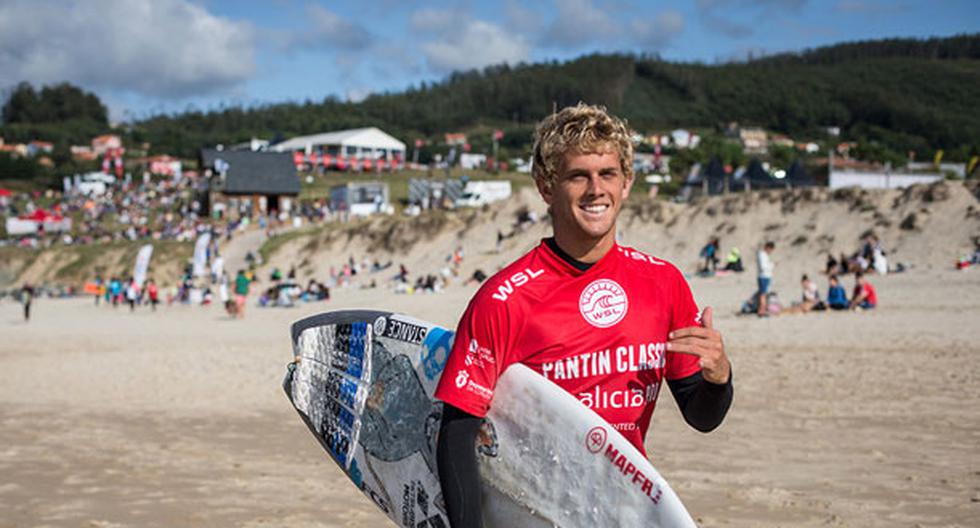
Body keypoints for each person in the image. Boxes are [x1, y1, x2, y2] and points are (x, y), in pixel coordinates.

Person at [433, 104, 733, 528]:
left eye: (608, 173)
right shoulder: (504, 298)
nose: (596, 189)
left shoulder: (663, 283)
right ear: (546, 186)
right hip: (535, 512)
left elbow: (702, 417)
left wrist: (719, 378)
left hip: (620, 510)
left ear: (626, 183)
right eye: (578, 175)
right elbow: (458, 432)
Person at [756, 241, 775, 316]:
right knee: (763, 294)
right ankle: (761, 311)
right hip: (763, 276)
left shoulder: (764, 255)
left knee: (765, 294)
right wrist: (772, 265)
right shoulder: (762, 255)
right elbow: (763, 267)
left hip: (766, 276)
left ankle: (764, 309)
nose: (771, 252)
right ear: (767, 247)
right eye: (770, 250)